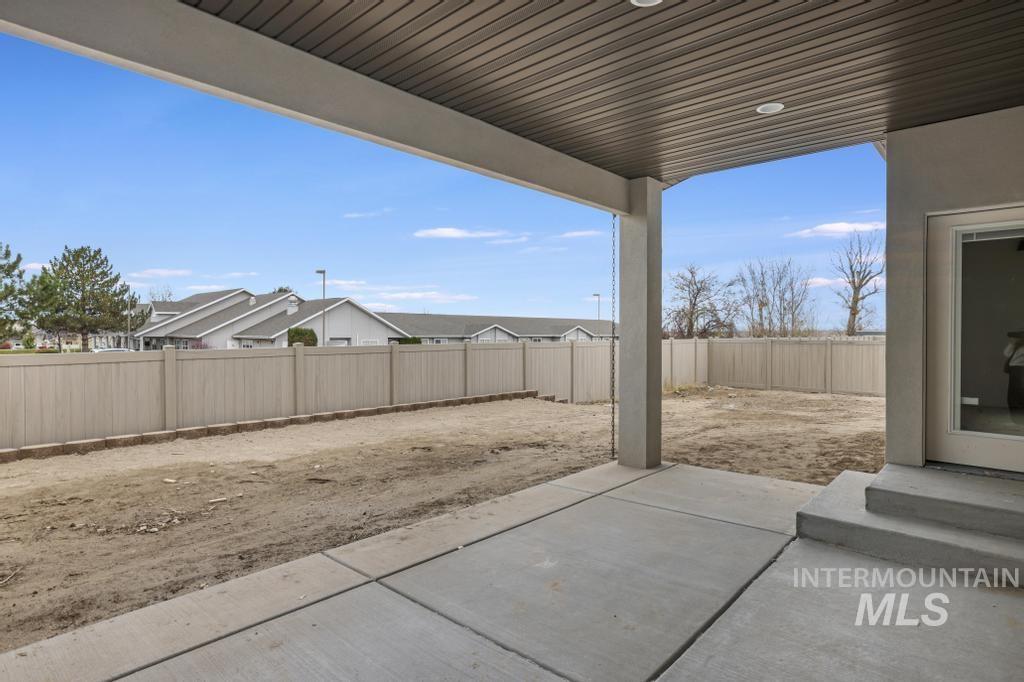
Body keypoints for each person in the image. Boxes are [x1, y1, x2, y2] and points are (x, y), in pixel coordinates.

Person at [1004, 332, 1024, 425]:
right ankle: (1017, 419)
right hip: (1014, 371)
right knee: (1013, 394)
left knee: (1017, 394)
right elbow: (1006, 353)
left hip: (1020, 370)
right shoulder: (1016, 346)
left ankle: (1019, 419)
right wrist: (1013, 343)